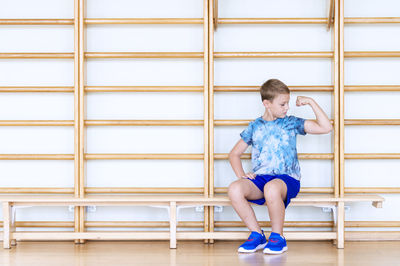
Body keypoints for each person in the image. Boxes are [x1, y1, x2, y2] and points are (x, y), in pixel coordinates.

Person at [228, 79, 333, 254]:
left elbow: (326, 127)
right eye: (283, 104)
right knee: (234, 189)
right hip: (262, 179)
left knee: (271, 188)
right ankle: (257, 234)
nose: (287, 108)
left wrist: (311, 102)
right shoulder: (255, 126)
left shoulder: (291, 122)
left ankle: (278, 237)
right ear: (267, 104)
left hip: (287, 180)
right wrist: (242, 175)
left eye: (288, 103)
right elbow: (234, 154)